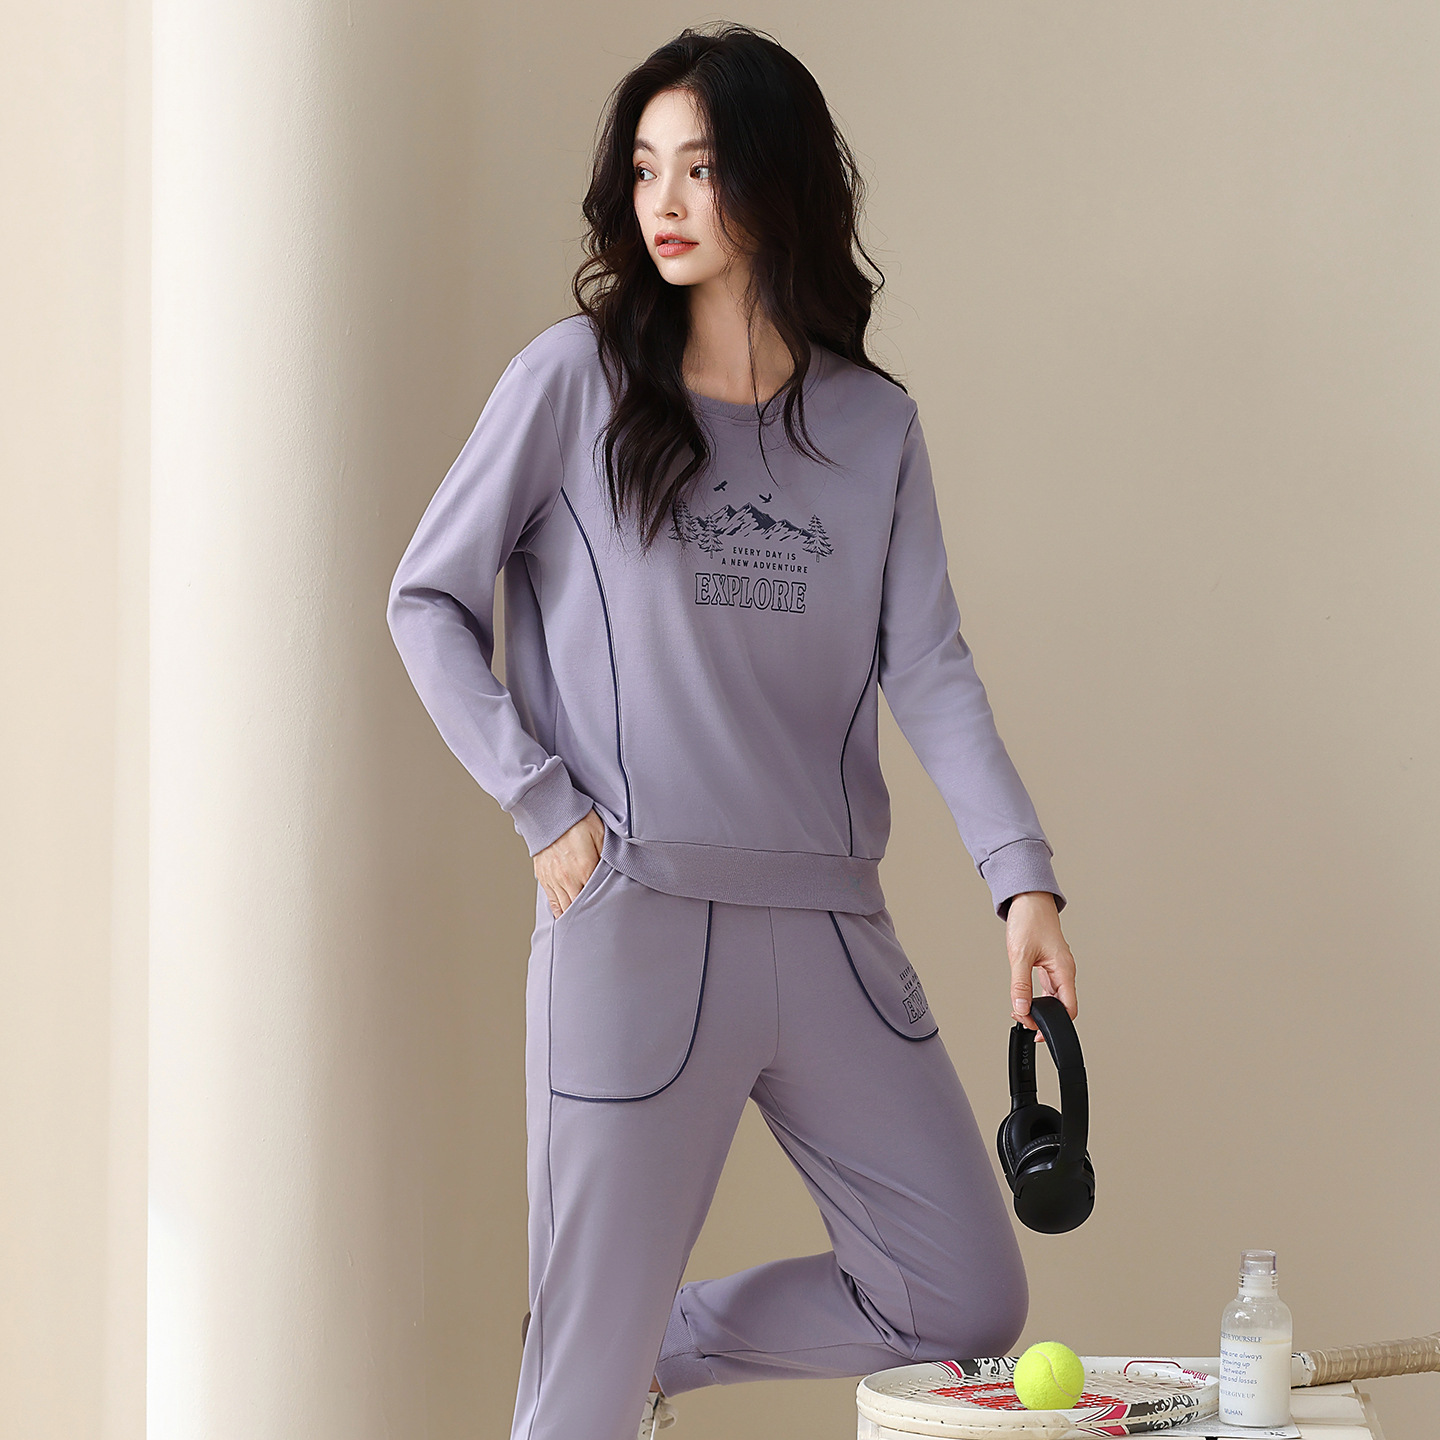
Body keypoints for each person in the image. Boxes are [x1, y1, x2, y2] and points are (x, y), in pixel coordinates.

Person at [387, 22, 1079, 1440]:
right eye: (646, 168)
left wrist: (1023, 884)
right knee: (576, 1391)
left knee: (961, 1296)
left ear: (776, 180)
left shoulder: (873, 429)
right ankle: (604, 1347)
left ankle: (656, 1338)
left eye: (700, 168)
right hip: (633, 913)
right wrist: (541, 806)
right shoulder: (572, 383)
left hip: (829, 926)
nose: (665, 201)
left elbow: (930, 667)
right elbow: (426, 599)